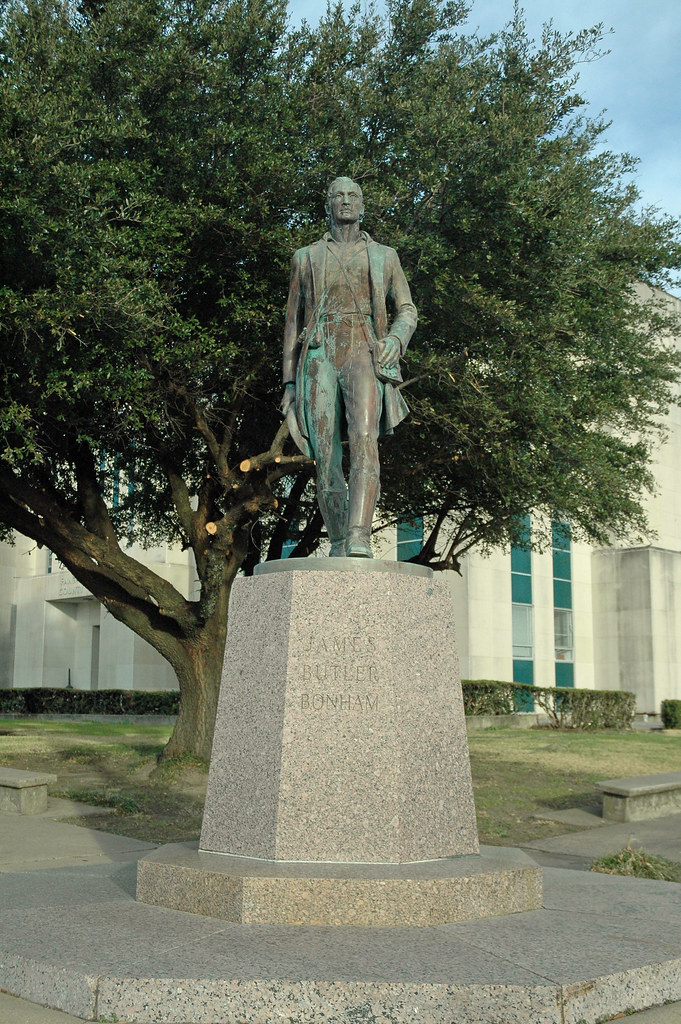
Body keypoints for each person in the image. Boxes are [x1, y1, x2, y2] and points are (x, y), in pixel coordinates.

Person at [281, 176, 417, 558]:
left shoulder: (385, 256)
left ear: (362, 205)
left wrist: (395, 339)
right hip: (319, 354)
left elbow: (406, 309)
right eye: (337, 196)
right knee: (325, 454)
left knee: (363, 440)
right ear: (327, 206)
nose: (345, 201)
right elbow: (292, 323)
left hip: (364, 351)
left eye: (352, 195)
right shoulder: (305, 257)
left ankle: (359, 533)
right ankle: (339, 538)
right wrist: (289, 384)